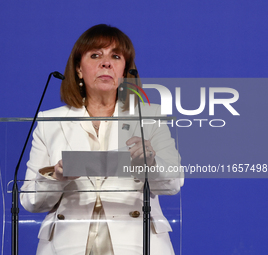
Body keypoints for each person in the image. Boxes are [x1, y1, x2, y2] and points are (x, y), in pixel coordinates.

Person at [20, 24, 183, 255]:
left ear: (125, 70)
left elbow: (173, 184)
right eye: (95, 55)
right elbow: (30, 201)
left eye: (115, 56)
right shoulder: (50, 121)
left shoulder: (149, 116)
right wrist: (56, 178)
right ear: (78, 69)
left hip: (138, 242)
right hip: (66, 244)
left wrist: (151, 164)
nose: (106, 62)